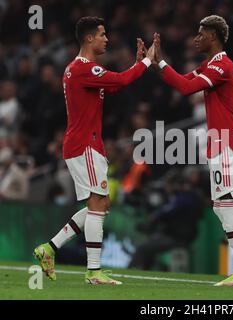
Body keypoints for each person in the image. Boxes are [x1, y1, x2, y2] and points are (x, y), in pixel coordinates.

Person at [33, 16, 155, 285]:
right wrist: (147, 62)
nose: (106, 39)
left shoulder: (82, 70)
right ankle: (94, 271)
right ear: (89, 38)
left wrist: (136, 64)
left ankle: (50, 248)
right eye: (102, 34)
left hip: (86, 144)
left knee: (99, 204)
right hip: (84, 145)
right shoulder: (82, 69)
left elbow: (117, 84)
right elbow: (122, 81)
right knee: (98, 203)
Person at [151, 15, 233, 286]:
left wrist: (161, 61)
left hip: (229, 142)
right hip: (220, 142)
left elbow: (188, 88)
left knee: (225, 204)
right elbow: (181, 82)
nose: (196, 38)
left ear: (213, 36)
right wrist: (156, 63)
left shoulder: (222, 65)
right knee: (221, 205)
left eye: (200, 34)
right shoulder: (210, 64)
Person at [128, 168, 203, 270]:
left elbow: (165, 212)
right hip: (175, 235)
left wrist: (151, 221)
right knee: (149, 244)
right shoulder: (185, 196)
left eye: (169, 184)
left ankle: (131, 271)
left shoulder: (184, 198)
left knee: (143, 248)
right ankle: (143, 271)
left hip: (178, 238)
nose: (166, 187)